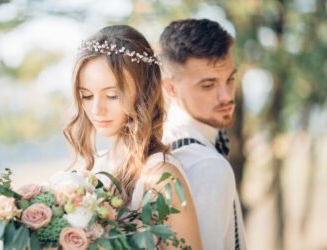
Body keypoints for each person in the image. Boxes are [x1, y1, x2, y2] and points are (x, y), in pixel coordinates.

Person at [63, 24, 203, 249]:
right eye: (86, 96)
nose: (97, 109)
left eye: (112, 95)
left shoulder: (161, 177)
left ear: (143, 91)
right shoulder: (89, 168)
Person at [159, 19, 247, 250]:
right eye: (208, 85)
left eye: (230, 79)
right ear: (170, 88)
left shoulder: (159, 141)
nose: (226, 96)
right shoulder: (206, 166)